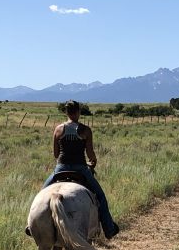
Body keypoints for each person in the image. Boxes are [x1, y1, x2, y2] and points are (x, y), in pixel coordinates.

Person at [29, 100, 120, 239]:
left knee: (41, 194)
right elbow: (90, 154)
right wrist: (93, 161)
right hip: (81, 168)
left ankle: (31, 225)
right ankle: (109, 228)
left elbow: (55, 154)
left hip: (61, 167)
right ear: (78, 112)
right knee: (101, 196)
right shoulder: (85, 130)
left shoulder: (58, 129)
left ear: (66, 112)